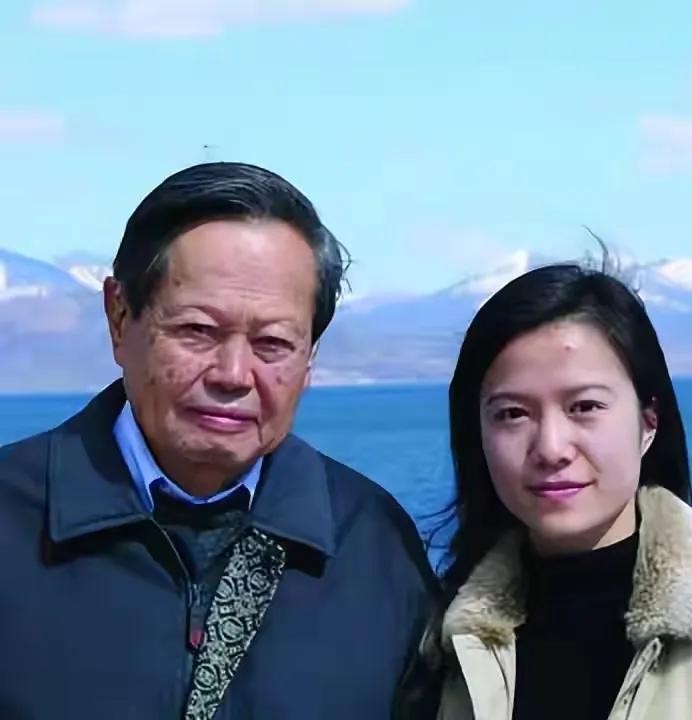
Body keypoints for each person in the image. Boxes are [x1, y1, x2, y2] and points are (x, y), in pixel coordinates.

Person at [0, 162, 436, 719]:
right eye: (197, 331)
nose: (233, 374)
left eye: (273, 343)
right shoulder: (14, 519)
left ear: (310, 357)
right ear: (120, 318)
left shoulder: (373, 544)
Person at [415, 260, 692, 719]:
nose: (551, 448)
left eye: (585, 406)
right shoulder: (446, 642)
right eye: (513, 414)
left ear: (649, 421)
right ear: (477, 433)